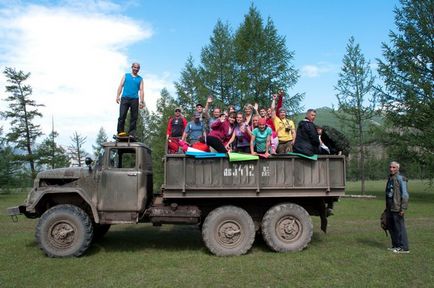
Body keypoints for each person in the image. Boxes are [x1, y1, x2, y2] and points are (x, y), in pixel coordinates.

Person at [385, 161, 410, 254]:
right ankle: (396, 245)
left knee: (399, 227)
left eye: (394, 167)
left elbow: (405, 195)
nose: (391, 169)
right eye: (390, 167)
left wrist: (403, 208)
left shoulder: (401, 179)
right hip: (390, 206)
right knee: (391, 226)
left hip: (397, 207)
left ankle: (404, 247)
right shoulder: (390, 178)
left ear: (398, 168)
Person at [116, 62, 145, 137]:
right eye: (135, 67)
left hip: (134, 99)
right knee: (122, 115)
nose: (136, 69)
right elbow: (120, 85)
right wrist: (117, 96)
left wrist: (142, 102)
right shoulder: (126, 75)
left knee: (134, 117)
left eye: (138, 68)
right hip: (125, 98)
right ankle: (120, 132)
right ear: (132, 67)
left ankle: (131, 133)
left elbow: (141, 90)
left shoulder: (140, 79)